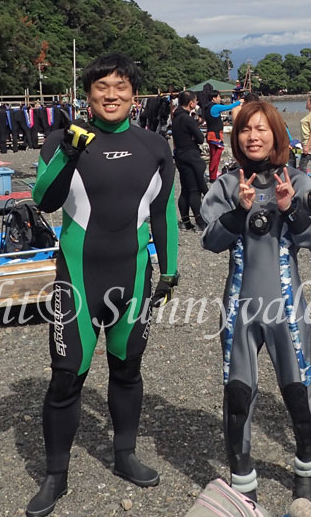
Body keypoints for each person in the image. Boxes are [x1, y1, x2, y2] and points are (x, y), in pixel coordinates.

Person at [25, 53, 179, 517]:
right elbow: (44, 201)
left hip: (133, 277)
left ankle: (125, 454)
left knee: (127, 368)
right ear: (87, 95)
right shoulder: (61, 139)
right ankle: (55, 476)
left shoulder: (154, 146)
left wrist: (169, 269)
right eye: (101, 88)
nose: (111, 95)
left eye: (120, 87)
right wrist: (70, 153)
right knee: (66, 376)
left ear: (134, 95)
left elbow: (163, 212)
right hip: (77, 278)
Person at [200, 100, 311, 504]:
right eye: (244, 129)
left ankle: (308, 463)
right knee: (237, 391)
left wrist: (289, 207)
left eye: (261, 129)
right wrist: (240, 212)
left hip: (286, 306)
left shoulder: (297, 180)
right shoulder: (226, 184)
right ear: (236, 137)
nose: (252, 136)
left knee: (296, 387)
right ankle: (241, 474)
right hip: (238, 306)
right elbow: (209, 240)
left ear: (277, 134)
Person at [171, 90, 209, 230]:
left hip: (180, 155)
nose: (197, 103)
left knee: (185, 189)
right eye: (196, 101)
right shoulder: (187, 118)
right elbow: (200, 138)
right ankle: (201, 222)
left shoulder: (175, 117)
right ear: (191, 103)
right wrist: (194, 133)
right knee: (195, 190)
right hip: (191, 155)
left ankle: (186, 221)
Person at [201, 88, 242, 181]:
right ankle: (212, 174)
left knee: (213, 155)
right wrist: (239, 102)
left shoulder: (207, 107)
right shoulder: (215, 107)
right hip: (215, 134)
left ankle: (213, 175)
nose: (220, 99)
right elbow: (229, 107)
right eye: (219, 97)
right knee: (216, 155)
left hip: (210, 133)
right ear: (213, 98)